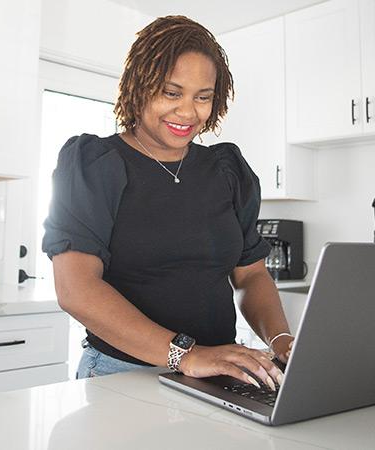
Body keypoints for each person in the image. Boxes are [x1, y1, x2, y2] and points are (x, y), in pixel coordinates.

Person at [42, 15, 294, 389]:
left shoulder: (226, 169)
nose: (188, 112)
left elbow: (251, 275)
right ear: (138, 87)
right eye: (171, 93)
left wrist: (280, 340)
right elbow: (76, 289)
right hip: (122, 373)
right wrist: (187, 356)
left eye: (202, 97)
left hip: (218, 372)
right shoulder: (94, 165)